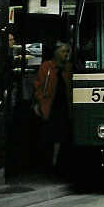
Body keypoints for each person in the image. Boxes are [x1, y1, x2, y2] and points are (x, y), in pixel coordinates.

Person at [33, 41, 72, 170]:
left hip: (64, 106)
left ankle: (57, 163)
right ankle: (48, 163)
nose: (66, 54)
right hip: (49, 106)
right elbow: (38, 86)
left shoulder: (69, 68)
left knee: (62, 136)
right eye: (63, 51)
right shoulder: (47, 67)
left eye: (67, 51)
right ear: (56, 52)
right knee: (48, 135)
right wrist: (39, 102)